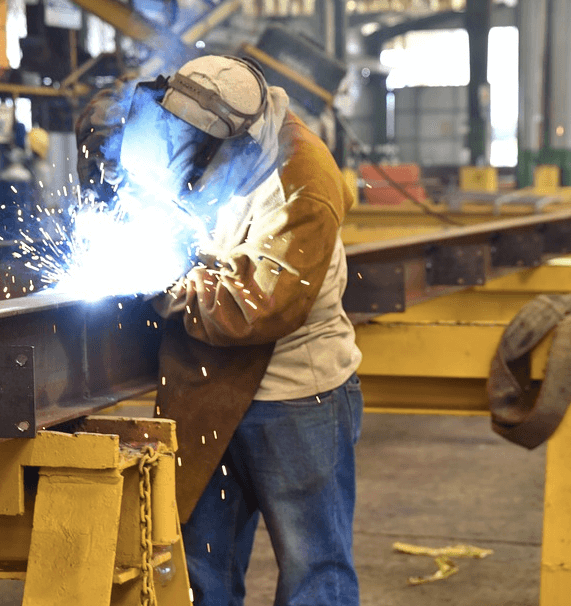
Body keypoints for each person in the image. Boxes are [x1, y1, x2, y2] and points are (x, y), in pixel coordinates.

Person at [75, 55, 364, 606]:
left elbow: (257, 307)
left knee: (314, 571)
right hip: (207, 386)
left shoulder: (301, 178)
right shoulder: (180, 119)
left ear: (239, 138)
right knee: (198, 569)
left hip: (296, 394)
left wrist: (171, 285)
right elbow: (106, 127)